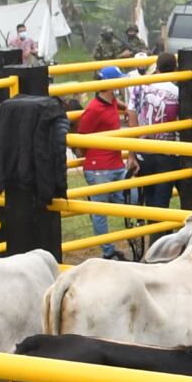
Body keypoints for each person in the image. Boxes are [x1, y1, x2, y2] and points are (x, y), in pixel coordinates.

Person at [75, 66, 139, 260]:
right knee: (100, 211)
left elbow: (119, 105)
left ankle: (112, 246)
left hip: (115, 165)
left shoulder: (111, 102)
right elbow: (81, 138)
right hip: (99, 168)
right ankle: (108, 251)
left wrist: (127, 109)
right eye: (117, 80)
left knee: (132, 199)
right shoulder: (93, 109)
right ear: (109, 84)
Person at [131, 53, 183, 214]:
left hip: (144, 149)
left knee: (150, 197)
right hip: (167, 152)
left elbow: (132, 116)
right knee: (162, 199)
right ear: (175, 69)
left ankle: (154, 227)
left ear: (157, 68)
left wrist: (132, 153)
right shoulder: (178, 92)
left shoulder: (140, 87)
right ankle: (160, 228)